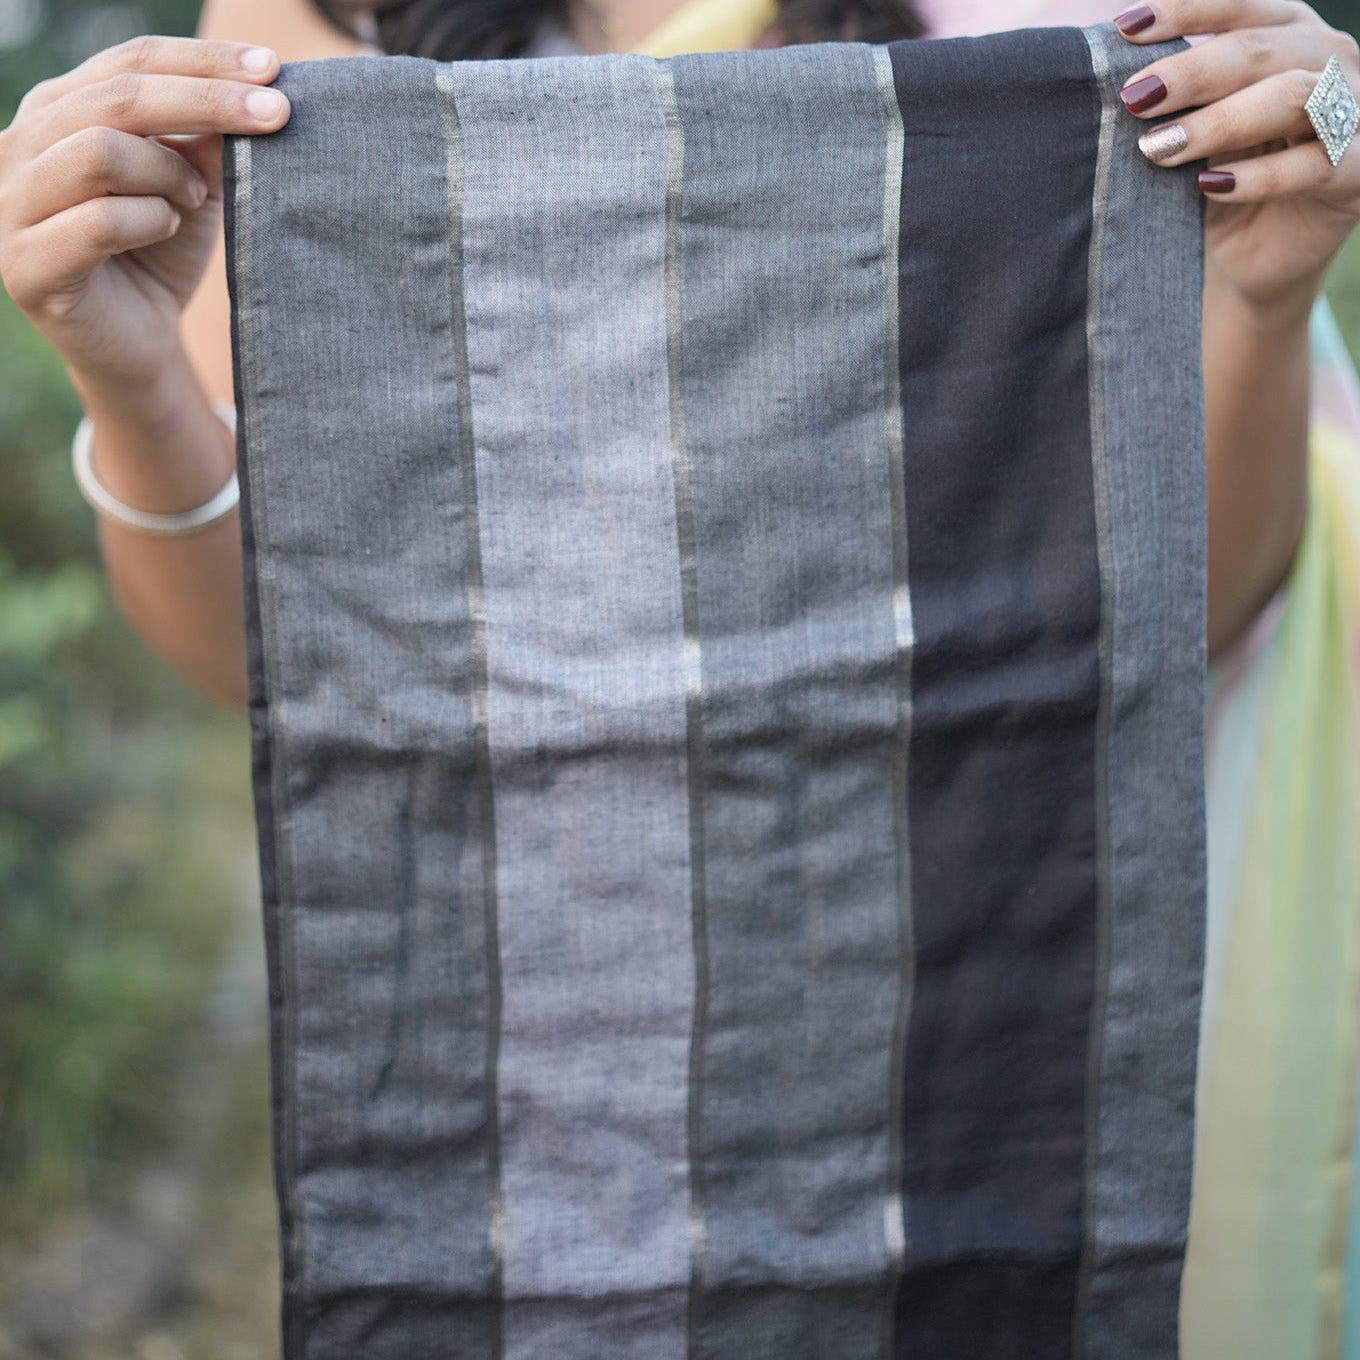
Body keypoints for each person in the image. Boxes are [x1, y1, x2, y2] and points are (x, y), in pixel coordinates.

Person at [1, 0, 1358, 1351]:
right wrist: (127, 380)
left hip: (987, 977)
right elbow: (272, 662)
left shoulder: (1070, 27)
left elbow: (1188, 605)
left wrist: (1263, 284)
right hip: (538, 1001)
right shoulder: (307, 34)